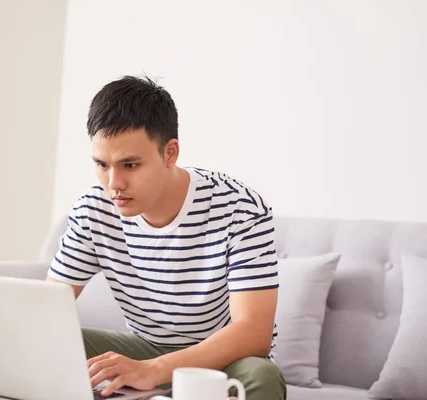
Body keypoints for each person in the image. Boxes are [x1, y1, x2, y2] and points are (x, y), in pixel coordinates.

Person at [45, 75, 286, 400]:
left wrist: (157, 370)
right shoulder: (94, 209)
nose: (114, 183)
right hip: (145, 349)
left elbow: (254, 333)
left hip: (222, 361)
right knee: (50, 342)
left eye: (130, 164)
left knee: (261, 377)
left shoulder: (239, 208)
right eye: (102, 165)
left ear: (170, 153)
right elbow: (45, 309)